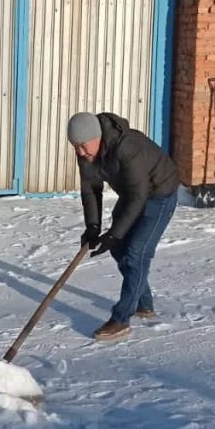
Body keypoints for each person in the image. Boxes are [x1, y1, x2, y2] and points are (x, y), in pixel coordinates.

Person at [67, 111, 179, 340]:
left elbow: (140, 197)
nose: (80, 152)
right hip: (132, 195)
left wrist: (114, 234)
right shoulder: (86, 153)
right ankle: (143, 303)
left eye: (83, 146)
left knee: (136, 253)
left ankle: (120, 320)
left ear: (97, 136)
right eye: (75, 146)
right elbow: (91, 189)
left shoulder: (127, 147)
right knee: (120, 251)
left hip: (159, 194)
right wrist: (93, 227)